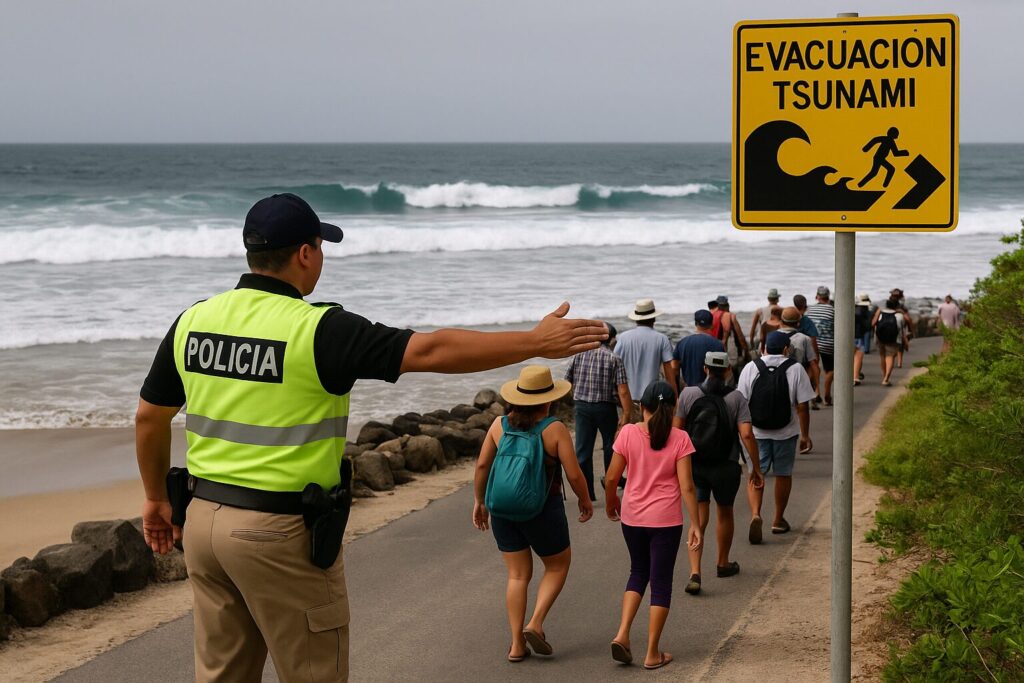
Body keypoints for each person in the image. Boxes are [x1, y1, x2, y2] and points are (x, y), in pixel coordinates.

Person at [135, 193, 607, 682]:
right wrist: (533, 342)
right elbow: (429, 350)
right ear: (305, 253)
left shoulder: (195, 320)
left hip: (205, 527)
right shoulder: (317, 329)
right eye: (320, 246)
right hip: (277, 533)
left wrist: (154, 499)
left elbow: (150, 417)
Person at [473, 365, 593, 663]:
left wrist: (480, 501)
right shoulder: (554, 429)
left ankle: (516, 645)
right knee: (557, 565)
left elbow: (482, 467)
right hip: (542, 509)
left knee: (517, 575)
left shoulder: (499, 425)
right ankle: (536, 623)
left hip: (502, 510)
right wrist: (585, 499)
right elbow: (574, 473)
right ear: (549, 400)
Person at [605, 381, 701, 671]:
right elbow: (687, 487)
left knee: (638, 572)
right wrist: (695, 523)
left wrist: (612, 502)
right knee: (660, 583)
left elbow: (611, 478)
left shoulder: (629, 433)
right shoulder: (680, 438)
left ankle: (622, 635)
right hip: (666, 521)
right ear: (672, 408)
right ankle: (652, 653)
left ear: (641, 406)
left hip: (632, 518)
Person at [673, 352, 763, 595]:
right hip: (726, 465)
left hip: (695, 465)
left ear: (704, 369)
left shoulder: (688, 394)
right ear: (726, 371)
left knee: (698, 516)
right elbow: (746, 435)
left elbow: (677, 431)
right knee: (725, 512)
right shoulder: (736, 398)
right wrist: (755, 467)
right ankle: (723, 563)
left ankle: (695, 572)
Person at [737, 331, 814, 541]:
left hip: (756, 433)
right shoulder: (795, 368)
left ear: (763, 348)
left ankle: (755, 514)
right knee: (783, 474)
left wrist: (742, 433)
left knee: (755, 473)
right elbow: (803, 406)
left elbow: (741, 403)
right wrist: (805, 436)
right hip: (786, 432)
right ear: (786, 349)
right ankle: (778, 520)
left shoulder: (750, 368)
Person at [564, 322, 632, 500]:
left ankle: (587, 494)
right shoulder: (614, 358)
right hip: (605, 408)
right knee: (611, 447)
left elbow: (567, 382)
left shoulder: (578, 355)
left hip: (582, 407)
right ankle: (610, 486)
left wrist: (576, 398)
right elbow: (623, 390)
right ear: (610, 339)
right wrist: (627, 414)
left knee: (583, 451)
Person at [614, 299, 677, 410]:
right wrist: (675, 399)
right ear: (654, 318)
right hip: (651, 398)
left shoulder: (623, 338)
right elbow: (669, 374)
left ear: (636, 319)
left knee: (629, 427)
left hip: (627, 397)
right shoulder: (662, 339)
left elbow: (614, 365)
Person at [780, 306, 819, 426]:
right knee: (801, 407)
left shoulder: (773, 337)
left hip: (779, 377)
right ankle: (803, 434)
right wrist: (816, 387)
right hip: (798, 376)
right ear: (798, 323)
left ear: (781, 321)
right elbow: (813, 362)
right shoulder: (804, 339)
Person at [671, 310, 725, 389]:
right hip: (711, 392)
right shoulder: (718, 345)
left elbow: (674, 369)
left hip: (689, 391)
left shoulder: (682, 343)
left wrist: (678, 392)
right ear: (711, 324)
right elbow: (722, 371)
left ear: (696, 324)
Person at [805, 286, 836, 406]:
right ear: (828, 297)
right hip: (828, 344)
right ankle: (827, 394)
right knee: (830, 370)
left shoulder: (810, 310)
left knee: (814, 368)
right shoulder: (833, 310)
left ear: (817, 297)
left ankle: (816, 393)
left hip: (812, 343)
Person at [872, 298, 907, 386]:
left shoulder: (880, 314)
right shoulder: (899, 316)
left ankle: (884, 376)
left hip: (880, 339)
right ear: (896, 307)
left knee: (882, 357)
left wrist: (877, 313)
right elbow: (901, 329)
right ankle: (886, 378)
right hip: (894, 340)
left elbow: (873, 324)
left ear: (886, 305)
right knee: (890, 357)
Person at [717, 299, 750, 380]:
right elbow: (740, 336)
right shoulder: (730, 316)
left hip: (715, 350)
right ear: (727, 306)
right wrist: (746, 351)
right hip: (729, 349)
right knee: (734, 367)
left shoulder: (713, 316)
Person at [889, 288, 913, 368]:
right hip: (898, 318)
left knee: (897, 344)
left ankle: (897, 361)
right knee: (899, 344)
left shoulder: (893, 300)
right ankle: (909, 333)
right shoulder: (896, 301)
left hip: (894, 318)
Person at [853, 294, 874, 386]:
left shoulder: (852, 310)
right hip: (859, 337)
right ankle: (855, 377)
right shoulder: (866, 312)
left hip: (848, 336)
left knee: (851, 357)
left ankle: (851, 376)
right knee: (858, 358)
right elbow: (868, 327)